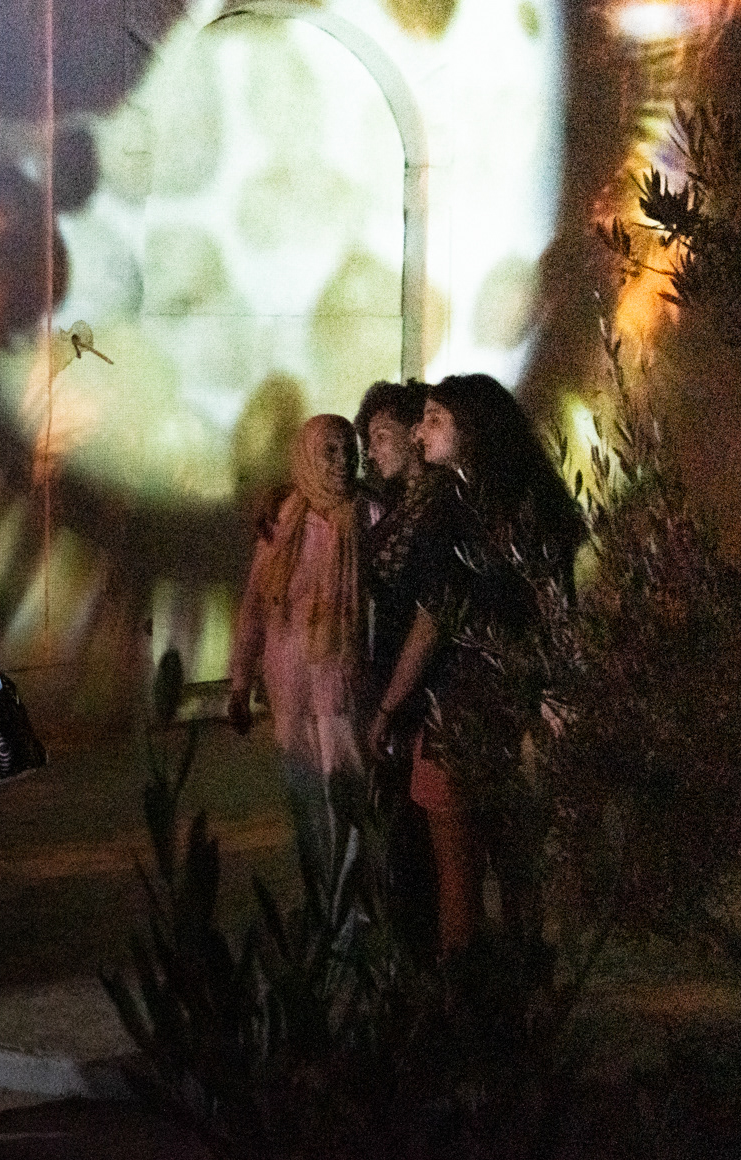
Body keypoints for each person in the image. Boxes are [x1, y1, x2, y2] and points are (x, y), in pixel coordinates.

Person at [370, 373, 583, 955]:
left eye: (434, 419)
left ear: (474, 430)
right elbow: (560, 609)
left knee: (457, 875)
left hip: (458, 705)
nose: (418, 431)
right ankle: (527, 989)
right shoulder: (534, 502)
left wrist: (388, 706)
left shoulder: (459, 512)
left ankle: (460, 1009)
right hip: (518, 702)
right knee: (518, 866)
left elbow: (435, 614)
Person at [227, 415, 368, 897]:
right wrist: (240, 683)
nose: (343, 460)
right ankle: (320, 901)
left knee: (346, 796)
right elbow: (254, 607)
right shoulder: (283, 521)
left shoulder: (365, 516)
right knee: (306, 798)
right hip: (289, 688)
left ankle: (350, 909)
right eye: (329, 450)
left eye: (348, 448)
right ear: (307, 455)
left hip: (341, 683)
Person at [353, 380, 439, 962]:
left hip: (418, 690)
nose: (372, 449)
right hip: (390, 679)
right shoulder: (394, 509)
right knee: (399, 823)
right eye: (366, 439)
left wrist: (388, 704)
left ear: (415, 434)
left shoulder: (433, 510)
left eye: (381, 435)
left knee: (418, 827)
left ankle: (426, 953)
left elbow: (428, 616)